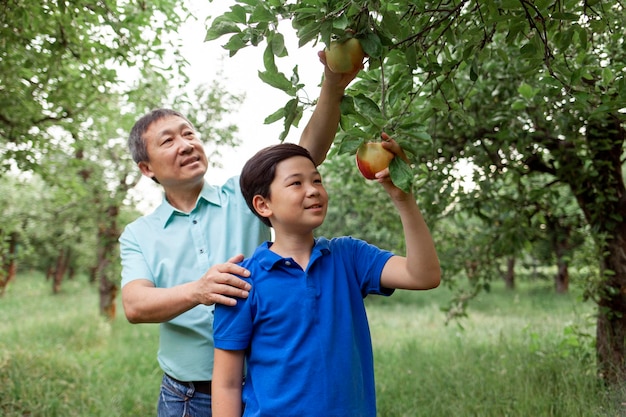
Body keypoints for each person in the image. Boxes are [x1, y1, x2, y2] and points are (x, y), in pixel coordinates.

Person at [119, 50, 363, 417]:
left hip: (265, 386)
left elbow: (305, 152)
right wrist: (198, 290)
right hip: (186, 396)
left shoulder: (245, 198)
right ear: (146, 168)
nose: (186, 144)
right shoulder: (140, 233)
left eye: (189, 134)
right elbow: (135, 305)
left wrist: (332, 83)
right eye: (168, 141)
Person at [211, 140, 441, 417]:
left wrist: (404, 199)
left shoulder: (349, 257)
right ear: (263, 205)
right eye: (296, 183)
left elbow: (424, 275)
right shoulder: (241, 282)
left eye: (317, 180)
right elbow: (227, 383)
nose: (313, 191)